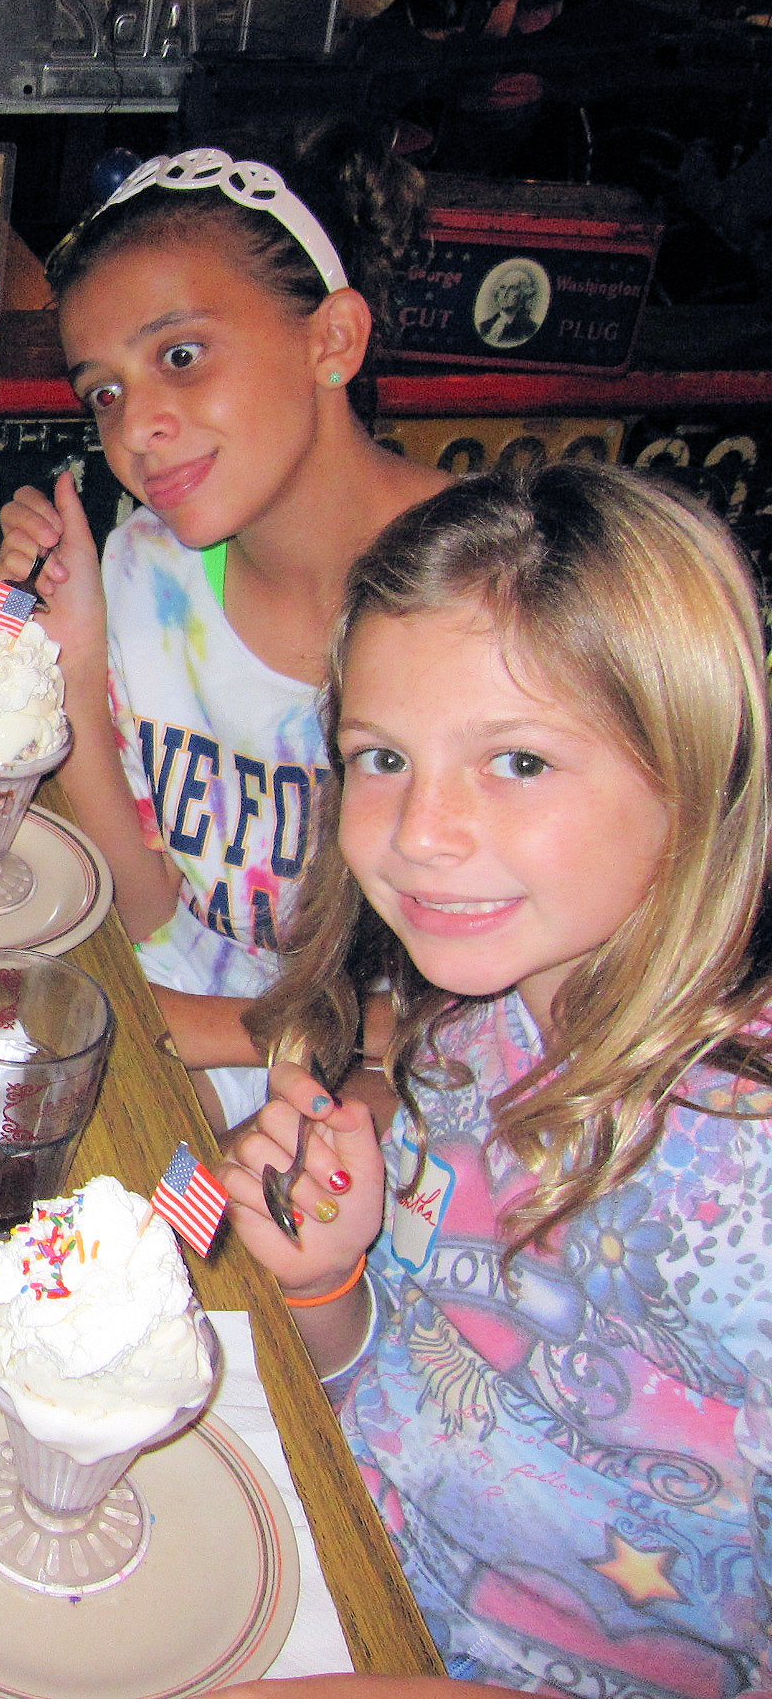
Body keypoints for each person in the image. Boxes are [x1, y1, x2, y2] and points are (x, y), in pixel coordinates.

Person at [219, 463, 772, 1699]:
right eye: (381, 757)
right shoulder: (472, 1018)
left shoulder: (749, 1191)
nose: (420, 832)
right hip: (337, 1546)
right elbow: (418, 1389)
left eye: (517, 763)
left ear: (693, 772)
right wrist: (327, 1283)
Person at [0, 129, 450, 1130]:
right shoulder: (145, 574)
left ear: (332, 340)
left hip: (418, 1091)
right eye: (104, 393)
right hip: (207, 1035)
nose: (135, 428)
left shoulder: (498, 596)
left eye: (181, 356)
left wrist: (202, 1033)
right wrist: (76, 672)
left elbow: (484, 1022)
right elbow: (155, 910)